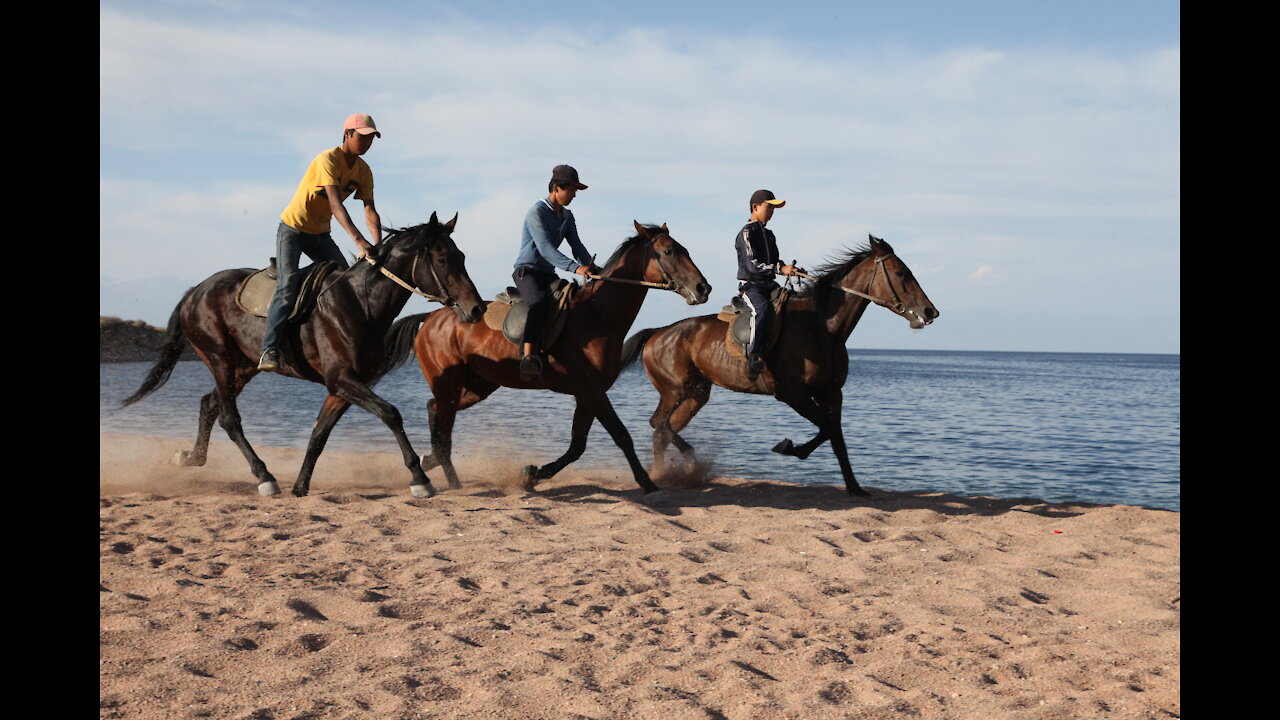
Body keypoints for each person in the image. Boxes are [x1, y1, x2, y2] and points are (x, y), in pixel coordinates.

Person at [258, 113, 384, 371]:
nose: (367, 143)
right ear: (348, 134)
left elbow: (369, 210)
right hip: (293, 229)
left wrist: (377, 244)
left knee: (344, 281)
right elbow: (336, 205)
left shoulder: (364, 171)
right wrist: (360, 241)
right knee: (289, 283)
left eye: (371, 138)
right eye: (363, 137)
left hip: (319, 235)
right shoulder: (327, 159)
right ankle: (269, 349)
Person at [512, 164, 600, 376]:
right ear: (555, 188)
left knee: (573, 300)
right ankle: (528, 356)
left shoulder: (567, 217)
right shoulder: (537, 212)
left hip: (548, 274)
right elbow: (545, 249)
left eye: (575, 191)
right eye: (571, 190)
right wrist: (575, 268)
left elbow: (577, 246)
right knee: (539, 303)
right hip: (528, 272)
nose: (574, 195)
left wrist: (594, 269)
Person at [735, 189, 801, 380]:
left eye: (774, 208)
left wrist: (787, 268)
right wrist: (780, 270)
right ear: (755, 207)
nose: (772, 211)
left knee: (794, 303)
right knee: (762, 310)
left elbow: (775, 260)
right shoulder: (747, 233)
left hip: (769, 284)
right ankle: (753, 356)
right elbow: (752, 265)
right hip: (751, 286)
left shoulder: (769, 234)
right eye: (769, 207)